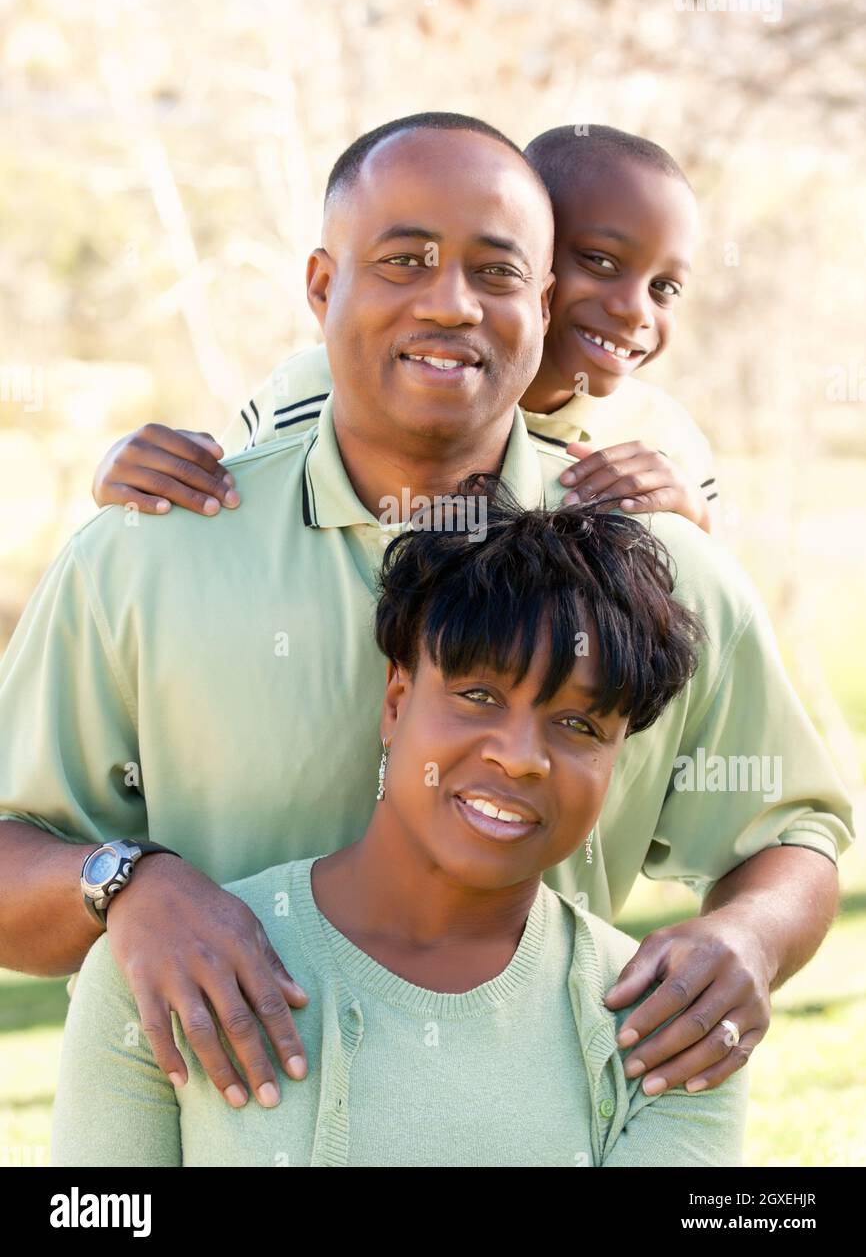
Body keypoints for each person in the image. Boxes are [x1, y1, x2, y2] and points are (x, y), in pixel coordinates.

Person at [0, 115, 852, 1122]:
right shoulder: (148, 552)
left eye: (494, 274)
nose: (448, 304)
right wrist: (126, 882)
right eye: (404, 260)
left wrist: (748, 936)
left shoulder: (661, 572)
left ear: (538, 305)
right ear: (322, 286)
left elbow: (792, 825)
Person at [51, 491, 748, 1167]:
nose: (520, 757)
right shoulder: (166, 963)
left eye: (577, 725)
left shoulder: (671, 1021)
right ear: (396, 701)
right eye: (479, 696)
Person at [91, 124, 719, 531]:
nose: (636, 309)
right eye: (601, 263)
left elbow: (713, 606)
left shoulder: (661, 439)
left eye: (666, 287)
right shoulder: (315, 389)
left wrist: (691, 517)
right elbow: (224, 496)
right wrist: (126, 478)